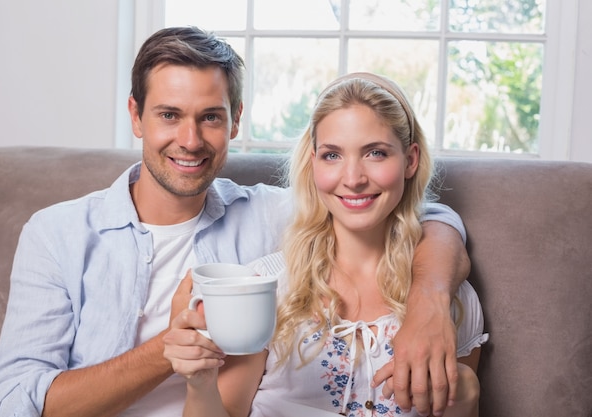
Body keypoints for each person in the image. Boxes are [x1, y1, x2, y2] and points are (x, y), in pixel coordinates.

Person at [0, 27, 468, 417]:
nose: (190, 140)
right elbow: (13, 400)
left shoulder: (275, 215)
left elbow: (418, 212)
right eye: (168, 115)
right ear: (136, 116)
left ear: (235, 120)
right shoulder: (59, 234)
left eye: (209, 116)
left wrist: (428, 301)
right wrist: (166, 351)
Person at [164, 73, 488, 417]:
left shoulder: (450, 301)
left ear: (410, 161)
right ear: (313, 161)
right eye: (332, 156)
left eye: (376, 153)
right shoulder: (266, 287)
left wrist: (466, 392)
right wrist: (200, 384)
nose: (353, 179)